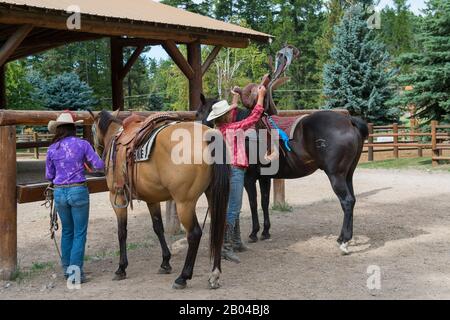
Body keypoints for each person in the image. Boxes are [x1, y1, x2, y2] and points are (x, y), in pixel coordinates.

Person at [206, 85, 266, 263]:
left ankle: (236, 241)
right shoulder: (233, 129)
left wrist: (235, 99)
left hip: (228, 171)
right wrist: (261, 96)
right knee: (233, 208)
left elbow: (231, 114)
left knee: (233, 207)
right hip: (235, 170)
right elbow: (254, 117)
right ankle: (226, 247)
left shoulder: (220, 129)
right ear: (225, 116)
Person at [45, 112, 104, 282]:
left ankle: (67, 270)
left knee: (67, 231)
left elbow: (49, 175)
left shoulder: (51, 149)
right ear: (73, 128)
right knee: (79, 233)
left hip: (60, 193)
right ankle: (75, 273)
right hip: (78, 191)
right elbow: (99, 165)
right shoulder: (82, 144)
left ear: (58, 129)